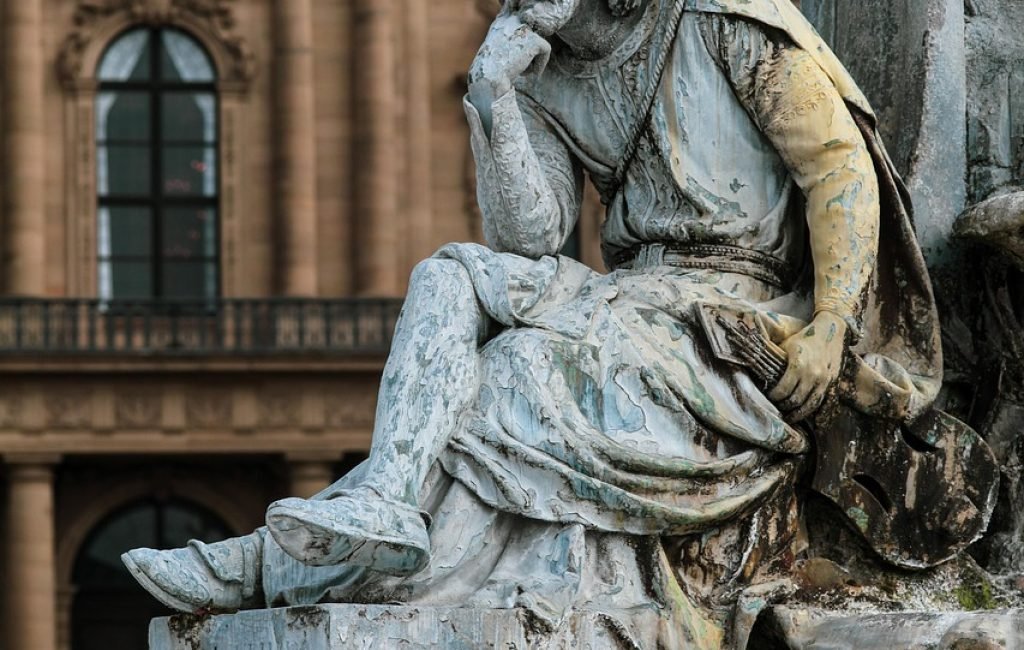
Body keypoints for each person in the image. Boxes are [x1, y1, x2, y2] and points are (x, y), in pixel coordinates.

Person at [123, 0, 942, 645]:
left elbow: (835, 162)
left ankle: (279, 564)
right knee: (450, 273)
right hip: (637, 302)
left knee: (508, 375)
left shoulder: (715, 17)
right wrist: (497, 98)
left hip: (739, 313)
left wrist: (833, 320)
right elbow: (530, 237)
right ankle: (379, 500)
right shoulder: (550, 73)